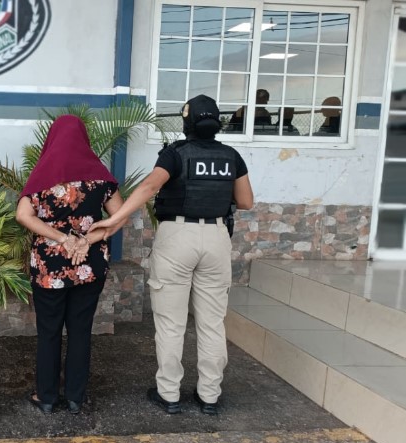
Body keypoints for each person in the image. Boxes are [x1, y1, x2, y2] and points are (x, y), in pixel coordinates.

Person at [90, 95, 253, 416]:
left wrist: (114, 218)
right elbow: (246, 201)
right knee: (212, 323)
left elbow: (150, 187)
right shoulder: (231, 156)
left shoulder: (175, 154)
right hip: (217, 236)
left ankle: (169, 394)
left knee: (170, 322)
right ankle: (209, 396)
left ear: (186, 122)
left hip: (177, 236)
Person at [15, 115, 124, 414]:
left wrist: (62, 238)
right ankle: (76, 397)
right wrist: (86, 240)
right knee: (80, 330)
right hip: (89, 265)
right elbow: (120, 216)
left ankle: (47, 398)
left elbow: (23, 215)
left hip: (49, 268)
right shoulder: (100, 177)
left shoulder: (43, 174)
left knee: (49, 332)